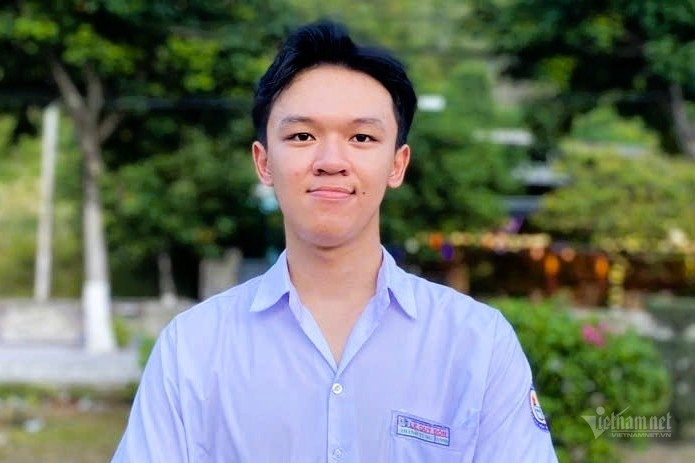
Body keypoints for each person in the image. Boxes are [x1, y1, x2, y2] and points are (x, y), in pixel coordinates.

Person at [112, 20, 558, 462]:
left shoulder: (478, 343)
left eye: (361, 137)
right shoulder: (191, 348)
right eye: (302, 136)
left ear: (397, 164)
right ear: (263, 162)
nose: (331, 161)